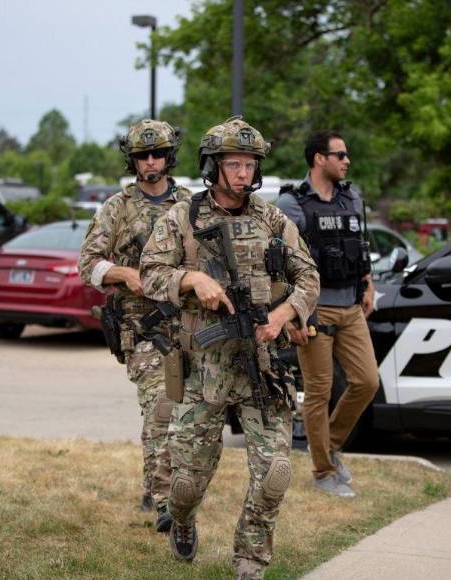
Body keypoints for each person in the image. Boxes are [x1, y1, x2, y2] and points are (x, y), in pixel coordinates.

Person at [140, 116, 319, 579]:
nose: (243, 173)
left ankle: (250, 558)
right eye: (234, 164)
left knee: (275, 472)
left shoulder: (271, 218)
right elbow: (151, 274)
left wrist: (283, 315)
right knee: (185, 484)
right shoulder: (182, 218)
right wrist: (192, 278)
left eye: (250, 164)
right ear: (213, 167)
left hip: (261, 365)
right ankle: (181, 520)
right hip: (202, 367)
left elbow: (308, 277)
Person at [78, 118, 192, 532]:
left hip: (189, 325)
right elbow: (86, 265)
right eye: (143, 155)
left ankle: (174, 488)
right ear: (132, 160)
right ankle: (164, 503)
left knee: (190, 415)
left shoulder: (188, 203)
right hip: (143, 329)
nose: (151, 161)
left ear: (169, 155)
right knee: (161, 408)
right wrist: (124, 275)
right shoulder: (117, 207)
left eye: (158, 153)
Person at [277, 130, 379, 497]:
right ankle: (323, 473)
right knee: (319, 392)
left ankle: (330, 447)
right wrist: (291, 314)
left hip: (351, 307)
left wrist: (368, 282)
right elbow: (279, 264)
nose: (346, 161)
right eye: (340, 155)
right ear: (319, 159)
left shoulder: (350, 197)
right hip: (314, 310)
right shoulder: (292, 204)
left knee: (367, 381)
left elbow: (359, 244)